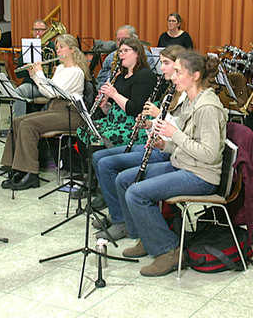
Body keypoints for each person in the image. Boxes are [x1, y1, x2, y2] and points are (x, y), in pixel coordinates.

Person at [115, 51, 226, 277]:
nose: (173, 77)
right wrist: (163, 145)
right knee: (124, 180)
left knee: (136, 194)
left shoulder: (207, 107)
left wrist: (174, 135)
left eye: (178, 72)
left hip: (201, 176)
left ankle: (169, 250)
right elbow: (186, 144)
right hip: (184, 164)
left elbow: (210, 154)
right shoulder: (190, 101)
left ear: (195, 76)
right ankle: (147, 238)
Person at [89, 44, 187, 240]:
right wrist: (148, 124)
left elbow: (180, 131)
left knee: (107, 164)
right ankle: (120, 214)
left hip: (169, 152)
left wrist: (158, 116)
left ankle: (121, 221)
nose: (162, 69)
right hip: (160, 144)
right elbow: (162, 126)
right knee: (98, 156)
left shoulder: (183, 94)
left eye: (166, 64)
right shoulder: (171, 90)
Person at [0, 34, 89, 190]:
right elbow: (46, 90)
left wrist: (39, 73)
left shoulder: (76, 72)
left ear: (72, 49)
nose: (58, 51)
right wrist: (34, 75)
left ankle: (31, 174)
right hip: (55, 109)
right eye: (57, 47)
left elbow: (51, 92)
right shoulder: (61, 68)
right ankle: (15, 168)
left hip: (70, 114)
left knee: (28, 125)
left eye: (62, 47)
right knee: (17, 122)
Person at [78, 37, 157, 148]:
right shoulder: (120, 76)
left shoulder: (145, 75)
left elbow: (135, 109)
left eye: (126, 51)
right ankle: (85, 165)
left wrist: (114, 94)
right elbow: (114, 108)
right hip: (114, 122)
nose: (121, 54)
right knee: (83, 129)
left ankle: (103, 163)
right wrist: (105, 106)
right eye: (120, 51)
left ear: (137, 54)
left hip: (132, 125)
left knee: (103, 136)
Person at [10, 19, 58, 117]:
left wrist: (56, 69)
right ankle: (17, 123)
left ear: (47, 31)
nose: (38, 32)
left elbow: (62, 66)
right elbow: (18, 74)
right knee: (19, 91)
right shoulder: (28, 46)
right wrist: (28, 69)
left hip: (49, 84)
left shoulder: (54, 47)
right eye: (35, 29)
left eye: (41, 30)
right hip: (32, 85)